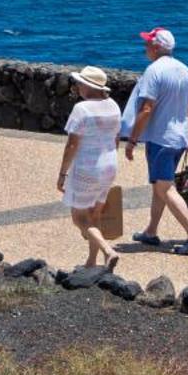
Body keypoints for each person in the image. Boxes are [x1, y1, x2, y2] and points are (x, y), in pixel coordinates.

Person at [120, 27, 188, 253]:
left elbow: (146, 108)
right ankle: (151, 231)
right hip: (178, 138)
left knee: (165, 187)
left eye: (148, 44)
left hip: (161, 139)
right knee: (160, 185)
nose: (145, 48)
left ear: (157, 47)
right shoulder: (185, 71)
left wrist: (132, 140)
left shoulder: (154, 71)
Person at [57, 64, 122, 269]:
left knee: (79, 217)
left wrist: (62, 173)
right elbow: (117, 138)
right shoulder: (113, 106)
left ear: (88, 86)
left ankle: (108, 251)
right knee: (95, 215)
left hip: (87, 167)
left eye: (79, 83)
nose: (77, 87)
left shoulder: (81, 109)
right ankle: (92, 261)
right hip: (109, 164)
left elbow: (72, 144)